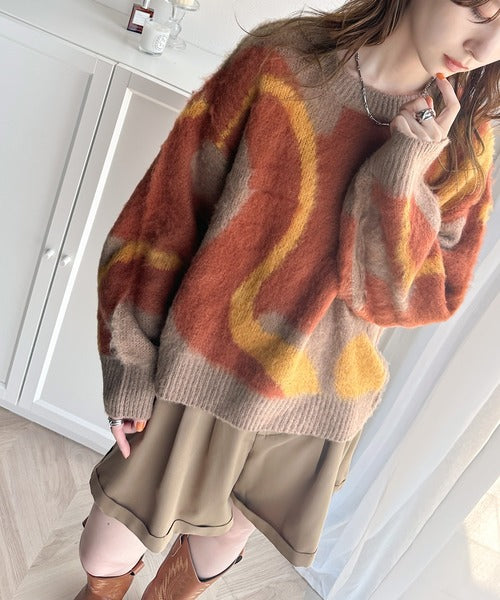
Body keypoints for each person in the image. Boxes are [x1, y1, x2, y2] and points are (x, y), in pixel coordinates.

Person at [73, 0, 499, 598]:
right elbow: (165, 215)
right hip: (200, 368)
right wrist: (129, 362)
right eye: (479, 11)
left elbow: (400, 301)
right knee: (104, 545)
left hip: (315, 400)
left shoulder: (461, 142)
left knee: (217, 543)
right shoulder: (282, 60)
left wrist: (403, 167)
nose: (484, 50)